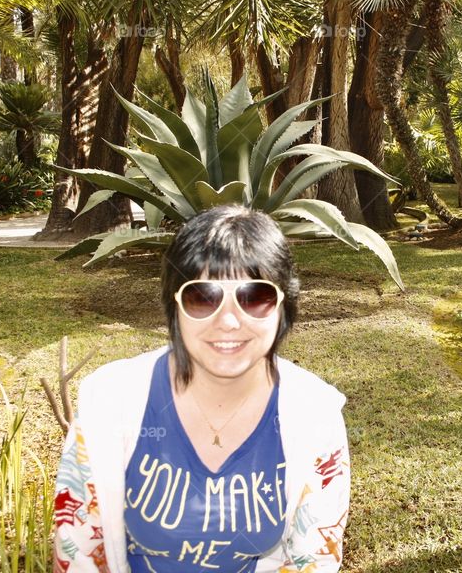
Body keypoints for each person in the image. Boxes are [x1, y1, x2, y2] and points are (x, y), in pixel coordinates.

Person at [53, 205, 351, 573]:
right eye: (203, 297)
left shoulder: (315, 415)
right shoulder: (110, 402)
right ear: (174, 305)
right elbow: (80, 551)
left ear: (282, 308)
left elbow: (313, 560)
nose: (227, 320)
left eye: (254, 297)